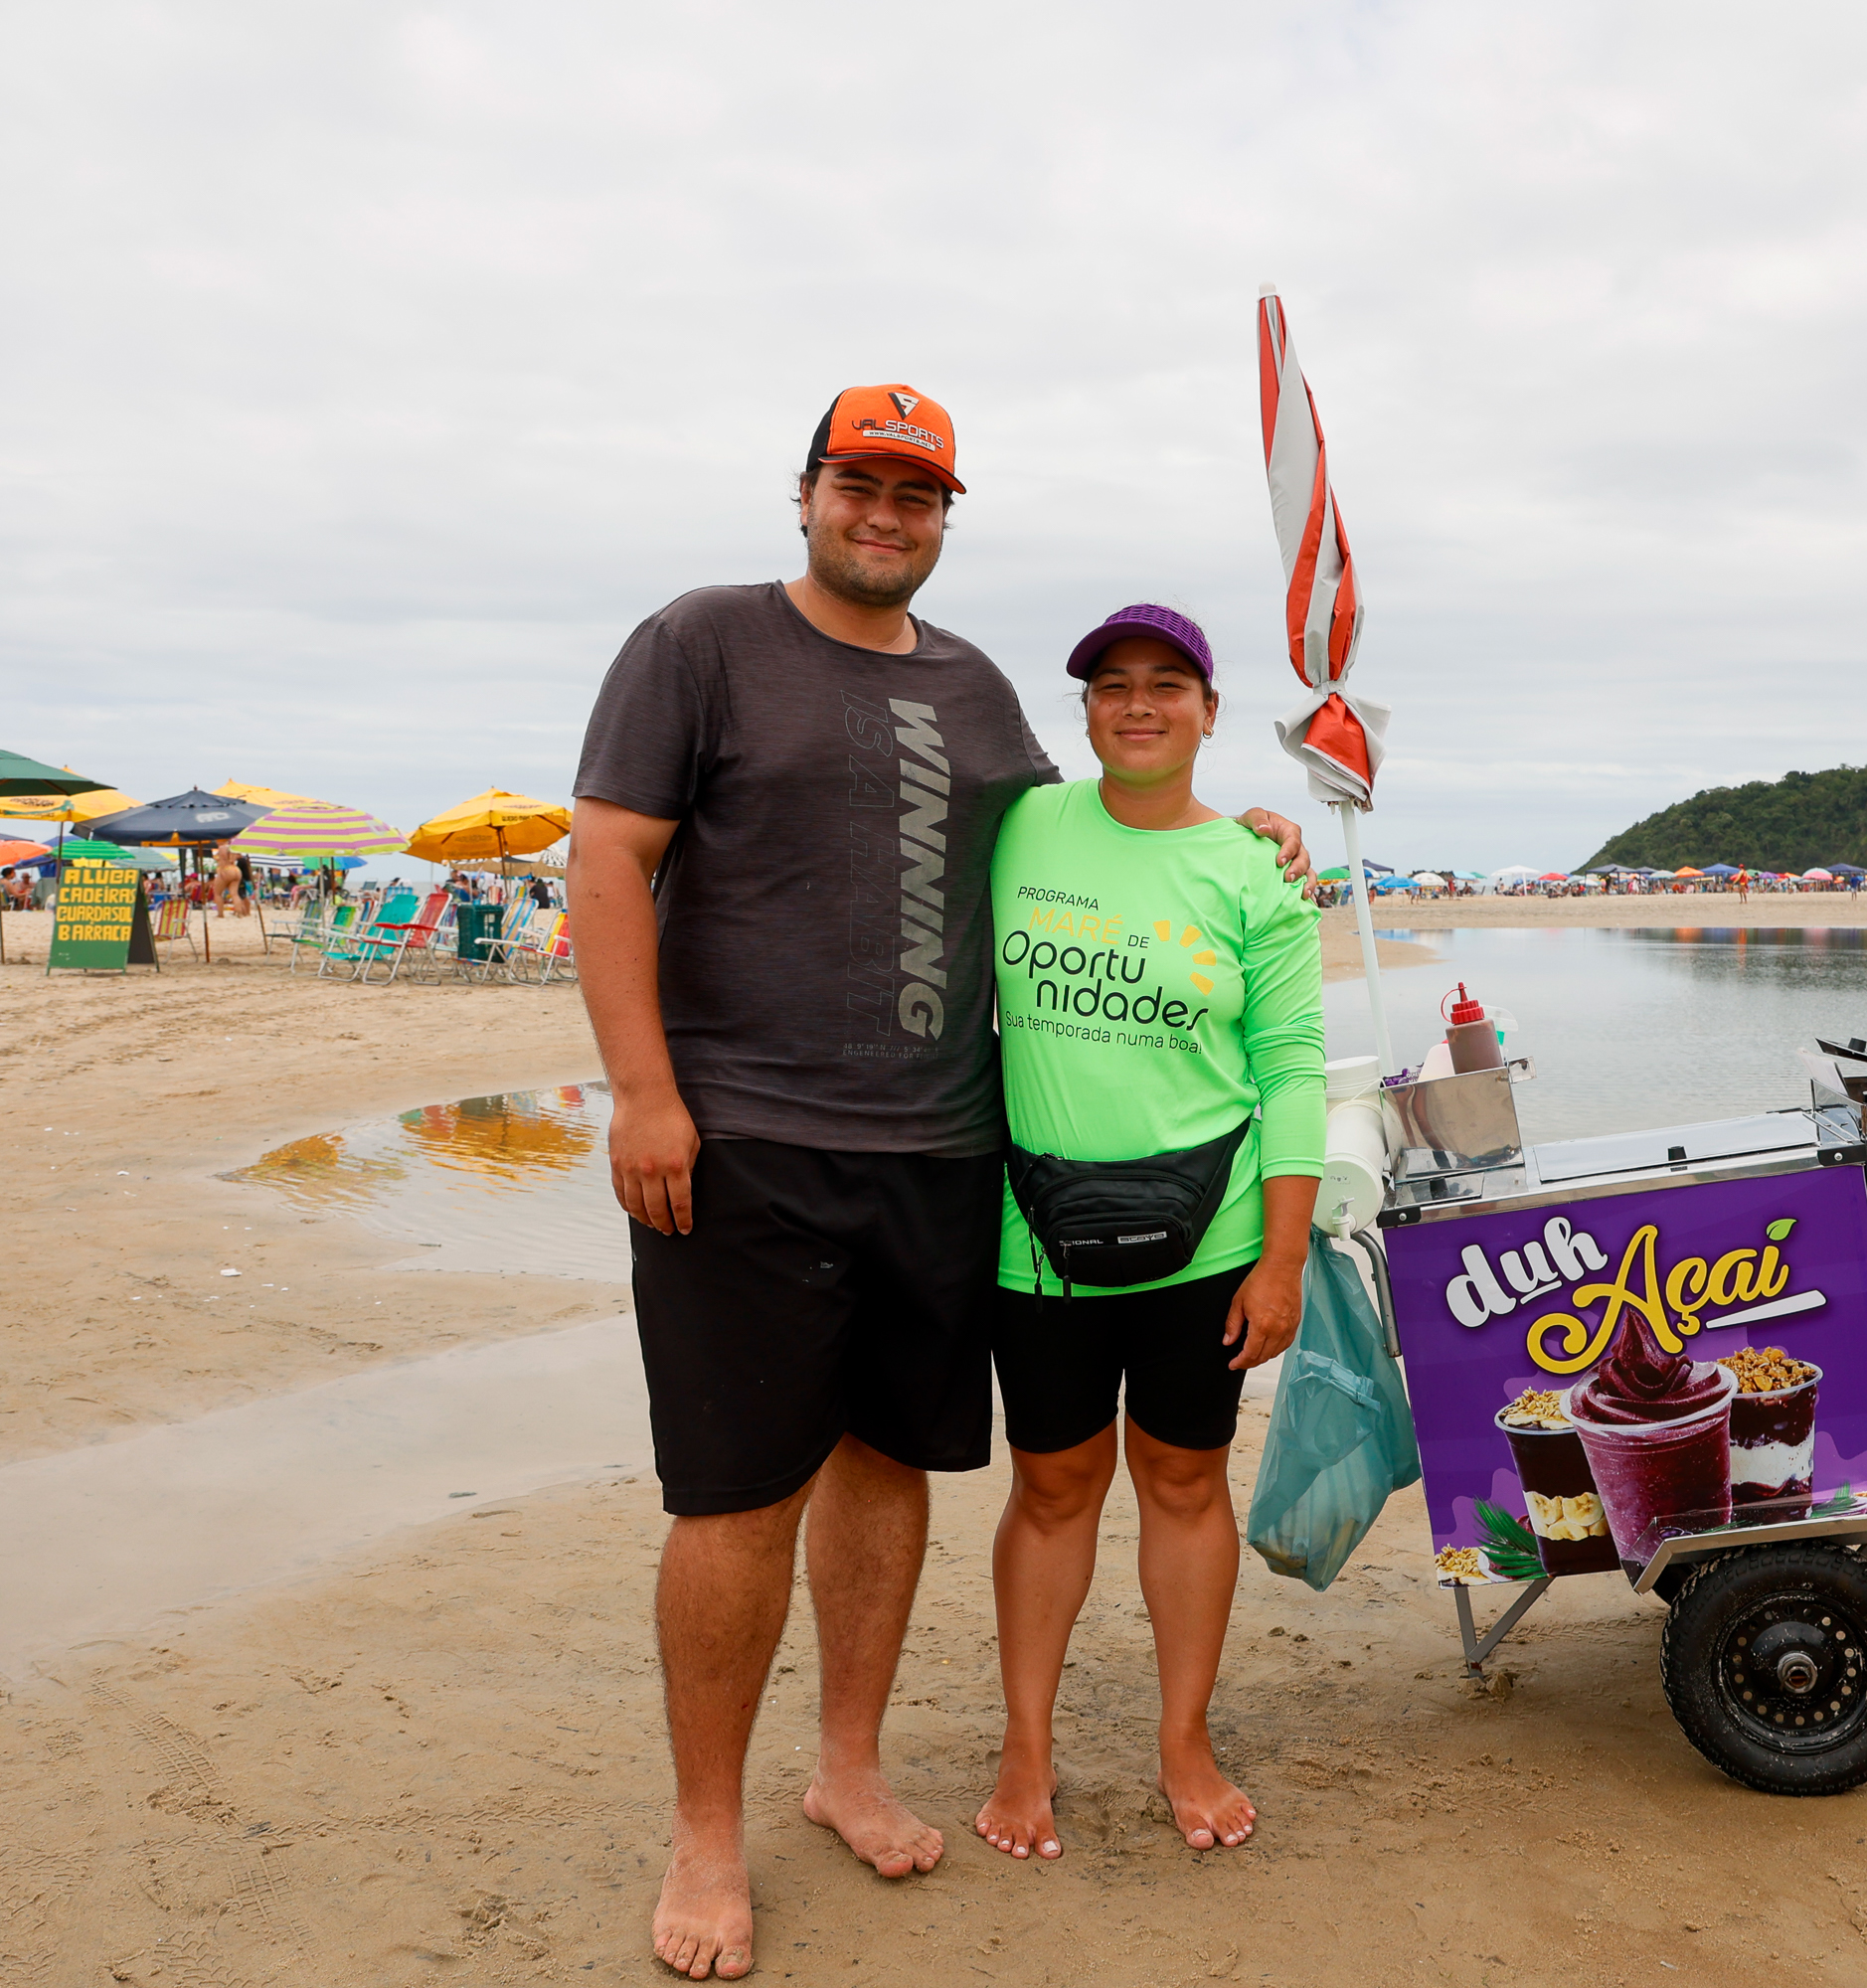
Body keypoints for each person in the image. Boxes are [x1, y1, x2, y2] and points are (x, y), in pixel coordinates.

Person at [567, 385, 1305, 1982]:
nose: (885, 514)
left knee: (888, 1466)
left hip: (944, 1157)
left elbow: (1098, 826)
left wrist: (1248, 838)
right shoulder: (698, 642)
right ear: (810, 492)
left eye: (918, 494)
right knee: (734, 1493)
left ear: (945, 518)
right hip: (743, 1143)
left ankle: (849, 1766)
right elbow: (609, 854)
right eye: (860, 483)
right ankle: (708, 1830)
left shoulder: (978, 693)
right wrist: (642, 1093)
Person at [971, 605, 1321, 1866]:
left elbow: (1291, 1070)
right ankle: (1027, 1747)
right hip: (1035, 1231)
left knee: (1184, 1479)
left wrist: (1282, 1258)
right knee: (1053, 1484)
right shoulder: (1021, 823)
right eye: (1111, 685)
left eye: (1167, 685)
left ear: (1210, 712)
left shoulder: (1254, 870)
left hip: (1211, 1233)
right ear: (1082, 713)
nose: (1137, 703)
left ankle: (1185, 1739)